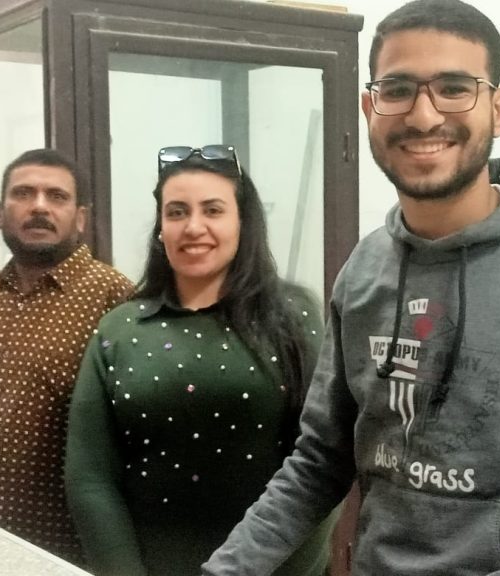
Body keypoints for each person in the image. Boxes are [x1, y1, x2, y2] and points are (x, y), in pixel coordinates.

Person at [202, 1, 500, 575]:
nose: (424, 115)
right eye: (398, 89)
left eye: (455, 88)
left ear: (498, 108)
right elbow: (318, 462)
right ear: (370, 108)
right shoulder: (365, 269)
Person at [64, 145, 336, 576]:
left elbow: (323, 462)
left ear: (242, 222)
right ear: (161, 229)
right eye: (176, 212)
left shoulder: (294, 318)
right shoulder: (120, 330)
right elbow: (90, 478)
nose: (193, 227)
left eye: (213, 210)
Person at [0, 148, 134, 563]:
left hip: (74, 548)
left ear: (81, 218)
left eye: (56, 196)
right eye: (23, 193)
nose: (39, 206)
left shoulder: (117, 299)